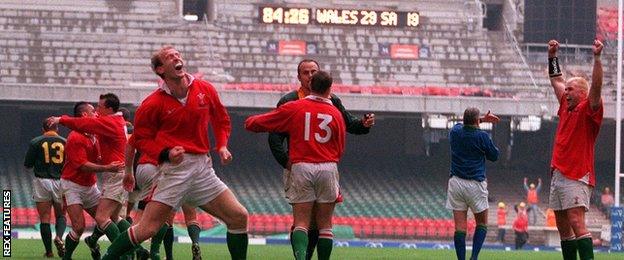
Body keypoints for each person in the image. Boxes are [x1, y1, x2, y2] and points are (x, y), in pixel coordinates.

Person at [101, 45, 248, 259]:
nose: (176, 58)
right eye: (170, 57)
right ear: (160, 70)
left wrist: (222, 145)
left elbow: (221, 120)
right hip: (173, 171)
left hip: (202, 169)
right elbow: (141, 140)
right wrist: (166, 153)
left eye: (177, 55)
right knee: (147, 228)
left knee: (239, 217)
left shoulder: (205, 89)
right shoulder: (152, 104)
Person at [268, 59, 374, 259]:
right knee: (306, 220)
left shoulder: (332, 100)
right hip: (304, 166)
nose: (310, 76)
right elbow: (275, 137)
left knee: (315, 221)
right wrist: (286, 161)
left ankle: (305, 255)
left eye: (313, 72)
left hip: (318, 166)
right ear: (299, 77)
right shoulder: (289, 100)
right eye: (305, 72)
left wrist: (364, 124)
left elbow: (349, 123)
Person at [246, 70, 346, 260]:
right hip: (328, 167)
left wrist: (250, 122)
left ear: (311, 85)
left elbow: (256, 123)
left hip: (301, 167)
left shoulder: (295, 107)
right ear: (329, 89)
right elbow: (340, 148)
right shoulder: (336, 113)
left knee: (301, 222)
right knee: (325, 225)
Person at [48, 93, 131, 256]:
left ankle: (117, 248)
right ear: (85, 115)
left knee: (106, 218)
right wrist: (107, 167)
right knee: (80, 226)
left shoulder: (96, 131)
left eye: (99, 108)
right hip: (73, 185)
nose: (97, 112)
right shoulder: (76, 137)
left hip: (90, 185)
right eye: (94, 110)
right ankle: (69, 256)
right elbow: (82, 166)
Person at [547, 39, 603, 260]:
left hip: (577, 173)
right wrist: (552, 57)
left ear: (582, 93)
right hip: (559, 173)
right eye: (566, 89)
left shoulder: (589, 109)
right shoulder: (565, 105)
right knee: (563, 227)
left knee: (576, 221)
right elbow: (556, 79)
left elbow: (596, 88)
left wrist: (597, 59)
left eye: (570, 89)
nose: (565, 92)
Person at [445, 107, 500, 260]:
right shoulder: (482, 136)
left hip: (456, 183)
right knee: (482, 223)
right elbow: (494, 156)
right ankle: (474, 257)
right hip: (475, 183)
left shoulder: (455, 132)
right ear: (477, 121)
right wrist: (484, 124)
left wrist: (481, 119)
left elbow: (462, 125)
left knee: (460, 227)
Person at [24, 119, 68, 258]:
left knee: (45, 217)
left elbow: (28, 165)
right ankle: (59, 237)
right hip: (60, 181)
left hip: (41, 181)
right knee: (61, 215)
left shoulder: (35, 142)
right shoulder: (65, 141)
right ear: (57, 129)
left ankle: (49, 252)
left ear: (43, 129)